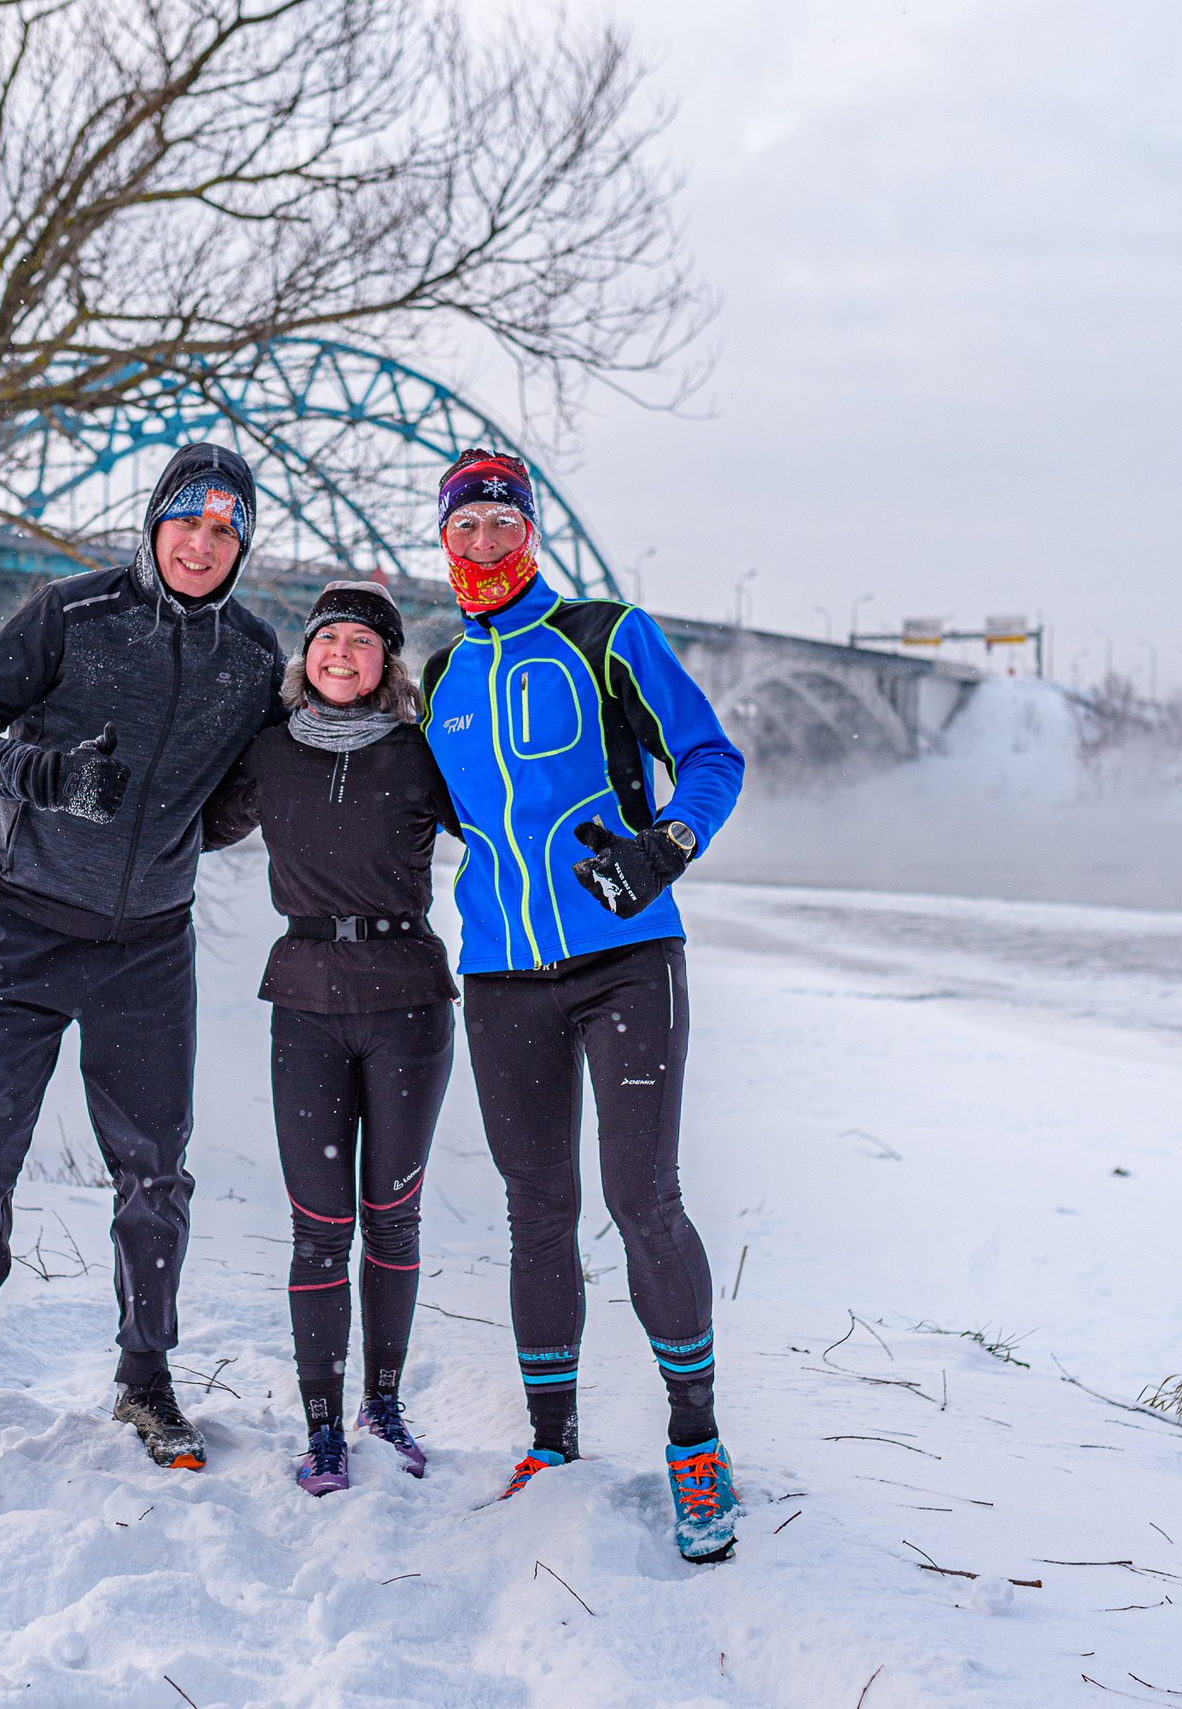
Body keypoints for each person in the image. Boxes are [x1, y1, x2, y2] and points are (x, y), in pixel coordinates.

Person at [0, 444, 285, 1506]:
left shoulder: (253, 657)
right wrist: (42, 774)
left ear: (241, 546)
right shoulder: (68, 617)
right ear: (154, 523)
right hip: (18, 927)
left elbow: (231, 802)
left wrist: (211, 821)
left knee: (155, 1172)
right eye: (188, 523)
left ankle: (146, 1378)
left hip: (148, 945)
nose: (204, 544)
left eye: (226, 530)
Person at [416, 448, 748, 1562]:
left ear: (529, 533)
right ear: (444, 538)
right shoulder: (439, 675)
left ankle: (695, 1442)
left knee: (641, 1196)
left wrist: (666, 845)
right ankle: (551, 1441)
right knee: (535, 1206)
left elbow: (710, 753)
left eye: (501, 527)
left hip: (625, 960)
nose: (483, 547)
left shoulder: (606, 635)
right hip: (503, 975)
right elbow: (456, 820)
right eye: (464, 529)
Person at [203, 581, 457, 1496]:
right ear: (303, 655)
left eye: (362, 641)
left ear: (388, 663)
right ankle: (322, 1428)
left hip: (410, 1003)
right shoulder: (269, 753)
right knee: (320, 1227)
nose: (341, 653)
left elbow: (507, 823)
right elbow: (191, 822)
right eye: (327, 639)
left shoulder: (420, 753)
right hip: (306, 1001)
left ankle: (382, 1405)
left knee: (392, 1216)